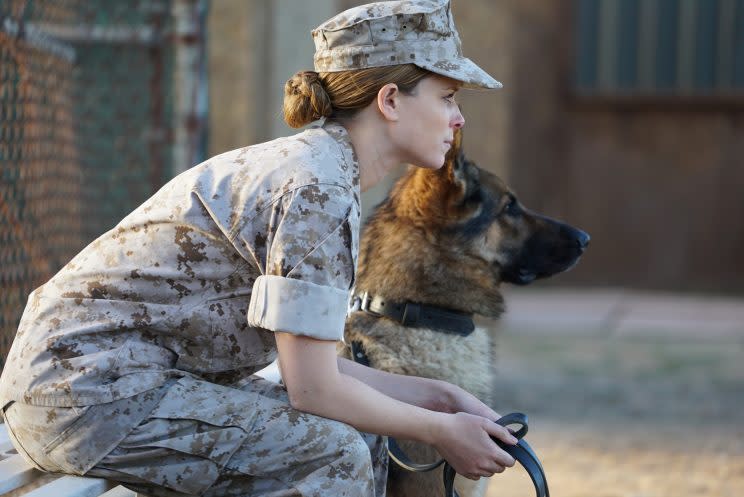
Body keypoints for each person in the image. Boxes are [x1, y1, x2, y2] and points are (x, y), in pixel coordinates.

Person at [0, 1, 517, 496]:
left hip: (113, 386)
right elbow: (313, 391)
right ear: (389, 100)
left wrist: (443, 399)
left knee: (359, 432)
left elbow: (317, 373)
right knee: (330, 451)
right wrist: (442, 432)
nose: (458, 118)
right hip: (83, 398)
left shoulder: (322, 171)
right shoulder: (318, 190)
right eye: (447, 97)